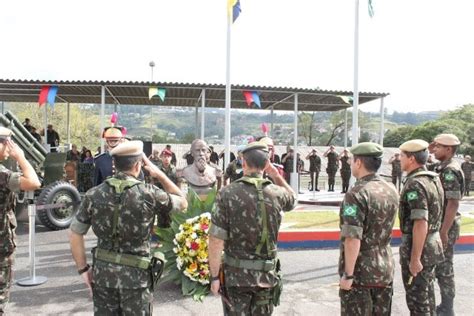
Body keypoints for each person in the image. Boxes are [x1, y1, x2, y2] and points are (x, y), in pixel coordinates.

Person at [69, 140, 187, 315]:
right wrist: (160, 174)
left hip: (103, 276)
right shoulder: (150, 193)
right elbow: (183, 203)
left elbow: (75, 233)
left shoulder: (93, 194)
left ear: (114, 165)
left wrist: (83, 269)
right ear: (138, 165)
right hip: (137, 279)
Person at [209, 141, 297, 315]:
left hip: (236, 278)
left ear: (243, 162)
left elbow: (216, 239)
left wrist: (214, 277)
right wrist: (275, 174)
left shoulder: (227, 193)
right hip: (265, 276)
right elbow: (293, 198)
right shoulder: (276, 193)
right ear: (266, 163)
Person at [338, 142, 399, 316]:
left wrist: (348, 275)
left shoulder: (357, 193)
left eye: (352, 160)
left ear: (358, 163)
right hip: (385, 267)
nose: (350, 164)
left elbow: (352, 237)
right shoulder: (390, 188)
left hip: (361, 273)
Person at [398, 139, 445, 315]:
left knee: (417, 301)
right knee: (427, 297)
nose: (400, 159)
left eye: (402, 156)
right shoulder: (432, 178)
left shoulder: (415, 184)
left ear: (411, 159)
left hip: (420, 247)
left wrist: (415, 258)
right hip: (432, 244)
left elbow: (420, 222)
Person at [0, 127, 41, 313]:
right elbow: (34, 182)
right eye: (7, 143)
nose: (10, 148)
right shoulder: (2, 174)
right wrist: (21, 158)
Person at [428, 134, 465, 315]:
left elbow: (453, 203)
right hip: (441, 223)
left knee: (444, 267)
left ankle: (447, 308)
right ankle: (444, 305)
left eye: (438, 147)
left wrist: (444, 231)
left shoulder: (450, 170)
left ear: (449, 149)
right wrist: (430, 149)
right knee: (440, 265)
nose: (434, 149)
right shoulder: (443, 166)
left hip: (446, 224)